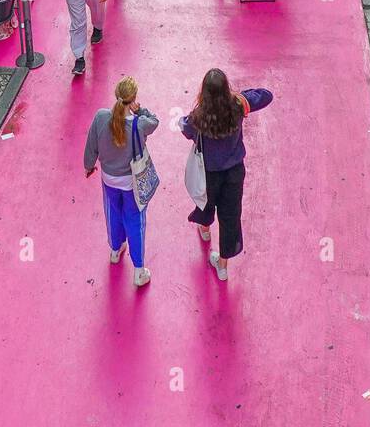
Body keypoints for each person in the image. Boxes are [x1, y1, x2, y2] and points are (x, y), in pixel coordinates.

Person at [181, 70, 274, 280]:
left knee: (205, 201)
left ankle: (204, 228)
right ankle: (222, 266)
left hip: (209, 171)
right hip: (234, 172)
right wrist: (239, 96)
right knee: (230, 215)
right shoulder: (238, 106)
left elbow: (186, 129)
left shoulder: (198, 117)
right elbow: (266, 95)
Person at [83, 77, 158, 288]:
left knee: (113, 213)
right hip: (131, 182)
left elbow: (91, 146)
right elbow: (155, 121)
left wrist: (89, 166)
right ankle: (138, 270)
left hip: (109, 178)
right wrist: (140, 110)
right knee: (135, 221)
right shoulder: (139, 124)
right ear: (133, 100)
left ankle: (115, 250)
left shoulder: (100, 117)